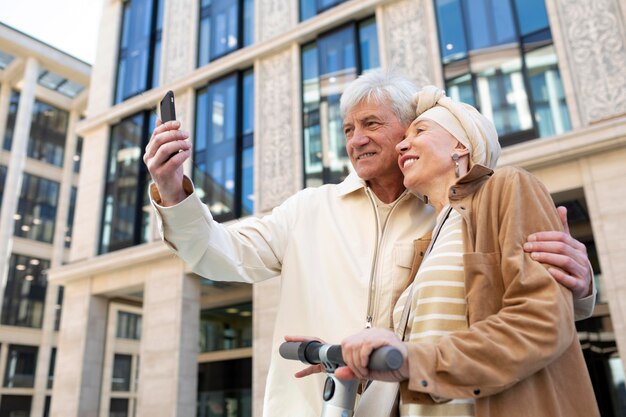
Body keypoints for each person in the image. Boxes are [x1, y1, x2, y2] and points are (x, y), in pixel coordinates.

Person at [143, 70, 595, 417]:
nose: (356, 140)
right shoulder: (308, 208)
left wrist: (579, 288)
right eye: (347, 129)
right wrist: (174, 188)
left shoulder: (451, 214)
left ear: (408, 130)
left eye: (372, 124)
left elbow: (519, 307)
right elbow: (214, 250)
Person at [334, 86, 599, 416]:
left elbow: (541, 321)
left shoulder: (506, 187)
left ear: (461, 145)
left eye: (420, 131)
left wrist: (413, 360)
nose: (403, 143)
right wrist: (347, 357)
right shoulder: (429, 241)